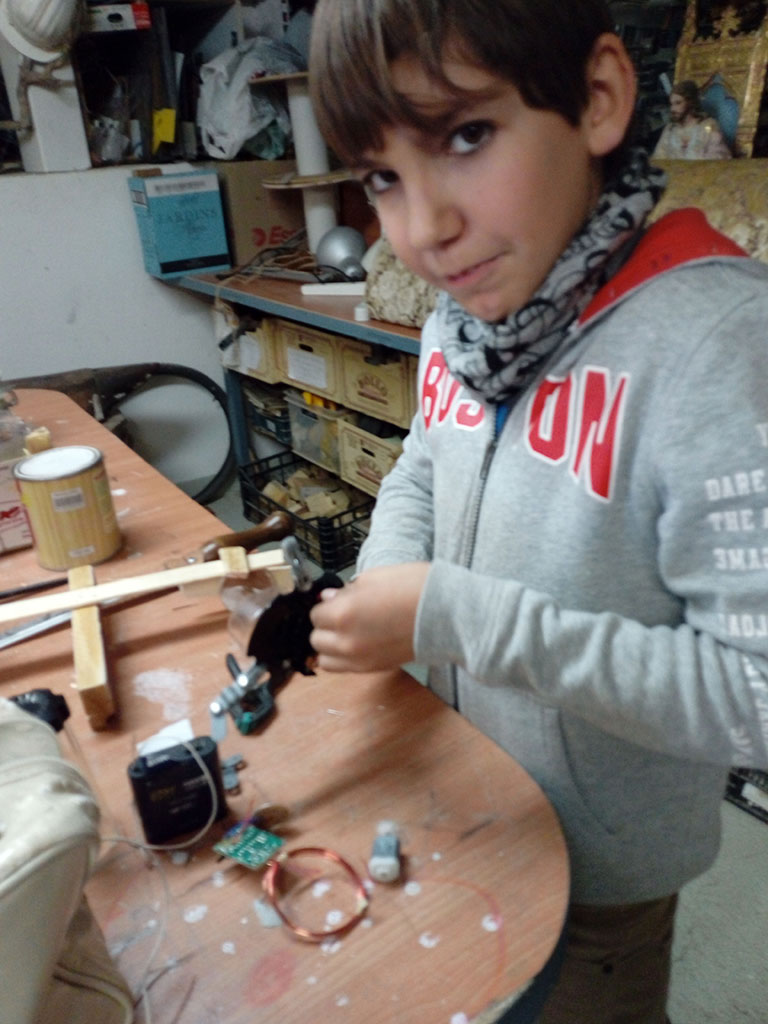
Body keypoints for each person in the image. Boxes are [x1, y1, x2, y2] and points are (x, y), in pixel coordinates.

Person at [307, 2, 768, 1021]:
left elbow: (755, 692)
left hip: (602, 870)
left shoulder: (721, 348)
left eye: (466, 135)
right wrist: (388, 582)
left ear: (597, 99)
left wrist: (459, 618)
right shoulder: (462, 314)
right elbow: (422, 465)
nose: (422, 231)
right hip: (461, 793)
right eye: (382, 177)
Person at [652, 79, 732, 159]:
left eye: (678, 103)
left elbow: (719, 156)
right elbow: (659, 158)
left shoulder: (708, 126)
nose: (673, 109)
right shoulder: (670, 129)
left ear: (690, 102)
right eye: (671, 104)